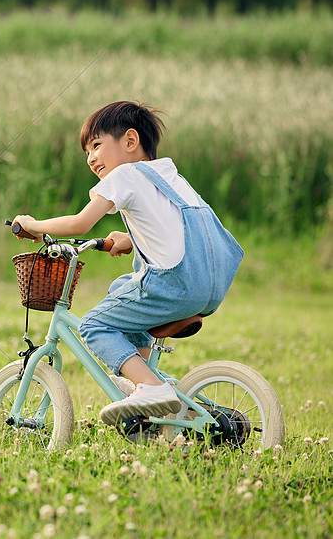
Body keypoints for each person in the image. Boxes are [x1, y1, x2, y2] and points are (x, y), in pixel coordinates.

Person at [12, 101, 243, 426]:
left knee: (94, 324)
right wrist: (130, 238)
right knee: (122, 287)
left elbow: (80, 224)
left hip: (174, 284)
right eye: (86, 152)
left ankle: (149, 386)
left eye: (96, 145)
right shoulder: (170, 176)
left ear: (130, 142)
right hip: (209, 284)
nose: (90, 157)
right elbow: (177, 229)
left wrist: (34, 224)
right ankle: (144, 379)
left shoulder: (124, 175)